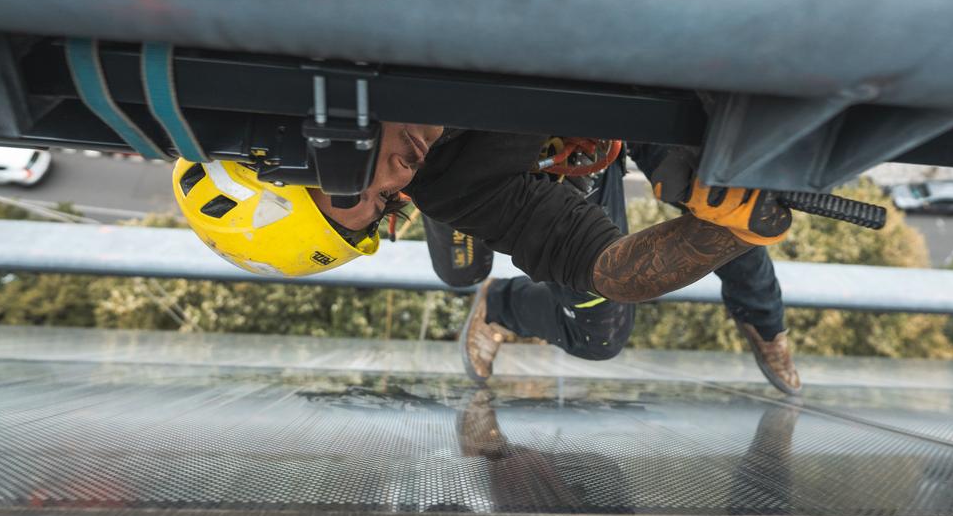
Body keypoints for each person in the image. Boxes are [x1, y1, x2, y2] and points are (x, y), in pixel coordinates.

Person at [172, 123, 801, 393]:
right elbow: (608, 267)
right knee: (603, 328)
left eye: (349, 181)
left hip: (604, 82)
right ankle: (498, 302)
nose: (396, 179)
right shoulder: (444, 182)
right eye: (386, 203)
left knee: (711, 174)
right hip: (564, 152)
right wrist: (735, 224)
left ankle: (765, 321)